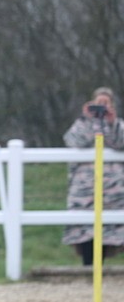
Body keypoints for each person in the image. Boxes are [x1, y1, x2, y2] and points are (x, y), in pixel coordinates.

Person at [62, 87, 124, 265]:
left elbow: (120, 142)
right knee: (86, 231)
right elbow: (74, 141)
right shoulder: (82, 124)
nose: (102, 107)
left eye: (106, 103)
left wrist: (110, 123)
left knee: (110, 230)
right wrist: (88, 120)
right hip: (84, 192)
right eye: (99, 103)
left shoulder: (118, 125)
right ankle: (88, 268)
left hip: (114, 192)